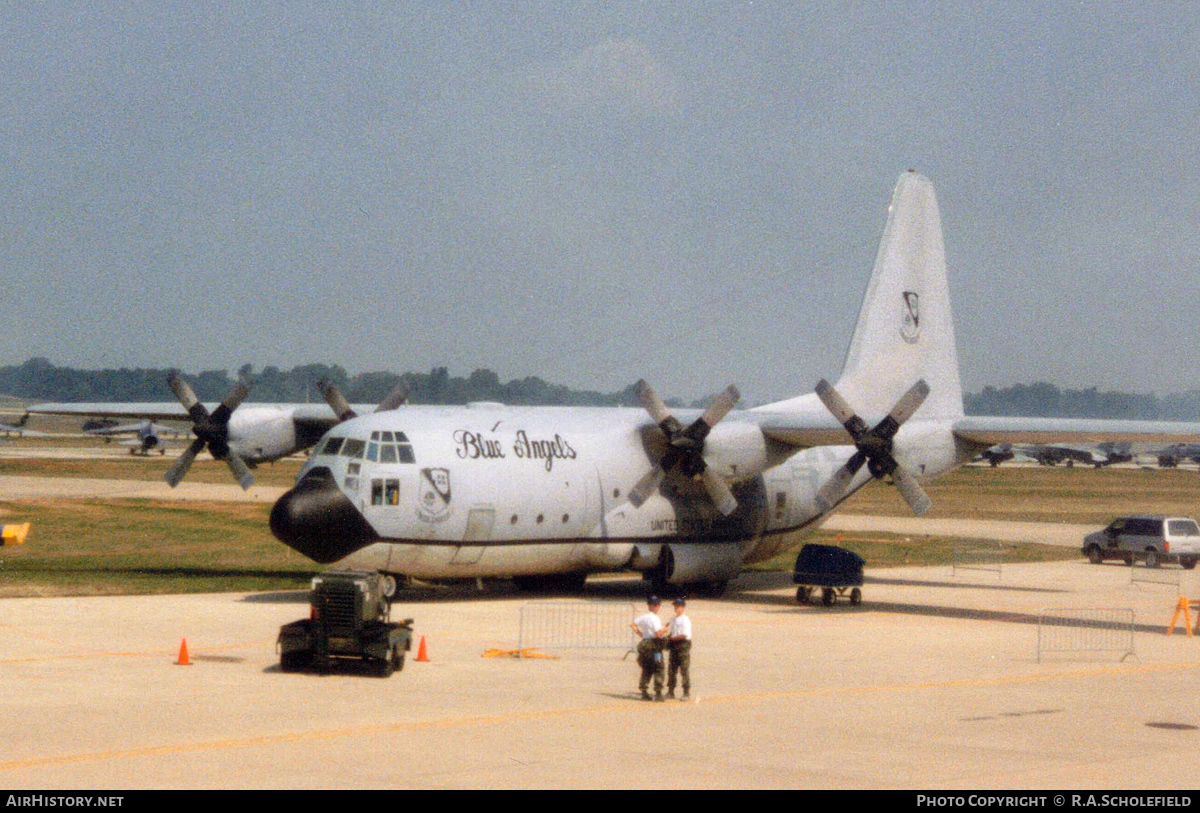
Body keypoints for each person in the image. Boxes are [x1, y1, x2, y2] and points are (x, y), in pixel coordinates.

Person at [630, 595, 666, 701]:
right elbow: (658, 634)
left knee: (646, 668)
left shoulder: (643, 617)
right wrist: (664, 630)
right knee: (658, 667)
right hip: (655, 647)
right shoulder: (655, 619)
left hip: (645, 645)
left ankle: (644, 690)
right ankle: (658, 692)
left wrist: (641, 634)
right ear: (656, 606)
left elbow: (632, 625)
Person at [666, 597, 692, 700]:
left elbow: (684, 635)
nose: (676, 608)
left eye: (678, 607)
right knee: (672, 670)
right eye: (675, 606)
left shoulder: (685, 620)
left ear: (683, 608)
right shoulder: (674, 619)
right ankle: (670, 691)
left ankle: (686, 692)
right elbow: (673, 632)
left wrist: (672, 638)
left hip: (683, 645)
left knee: (684, 670)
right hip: (674, 645)